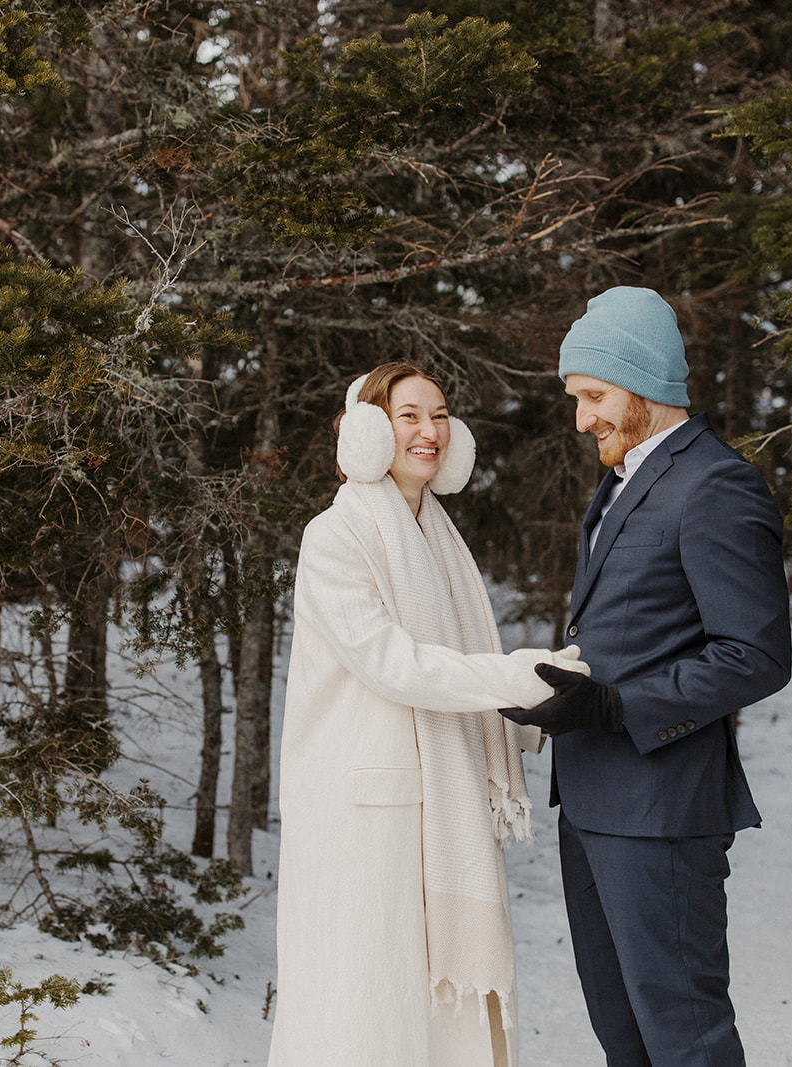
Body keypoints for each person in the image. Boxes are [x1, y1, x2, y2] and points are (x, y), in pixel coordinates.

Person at [500, 287, 792, 1067]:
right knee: (623, 1036)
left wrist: (618, 705)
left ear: (645, 383)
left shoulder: (716, 486)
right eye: (575, 398)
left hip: (662, 811)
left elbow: (757, 655)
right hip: (593, 803)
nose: (581, 418)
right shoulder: (624, 480)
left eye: (593, 396)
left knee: (684, 1035)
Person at [268, 361, 589, 1067]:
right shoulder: (336, 536)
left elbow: (448, 666)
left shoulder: (440, 542)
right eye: (408, 414)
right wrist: (514, 675)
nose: (429, 430)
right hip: (363, 819)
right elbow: (394, 662)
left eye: (440, 414)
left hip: (431, 803)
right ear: (368, 430)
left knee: (434, 1019)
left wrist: (533, 702)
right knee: (366, 1004)